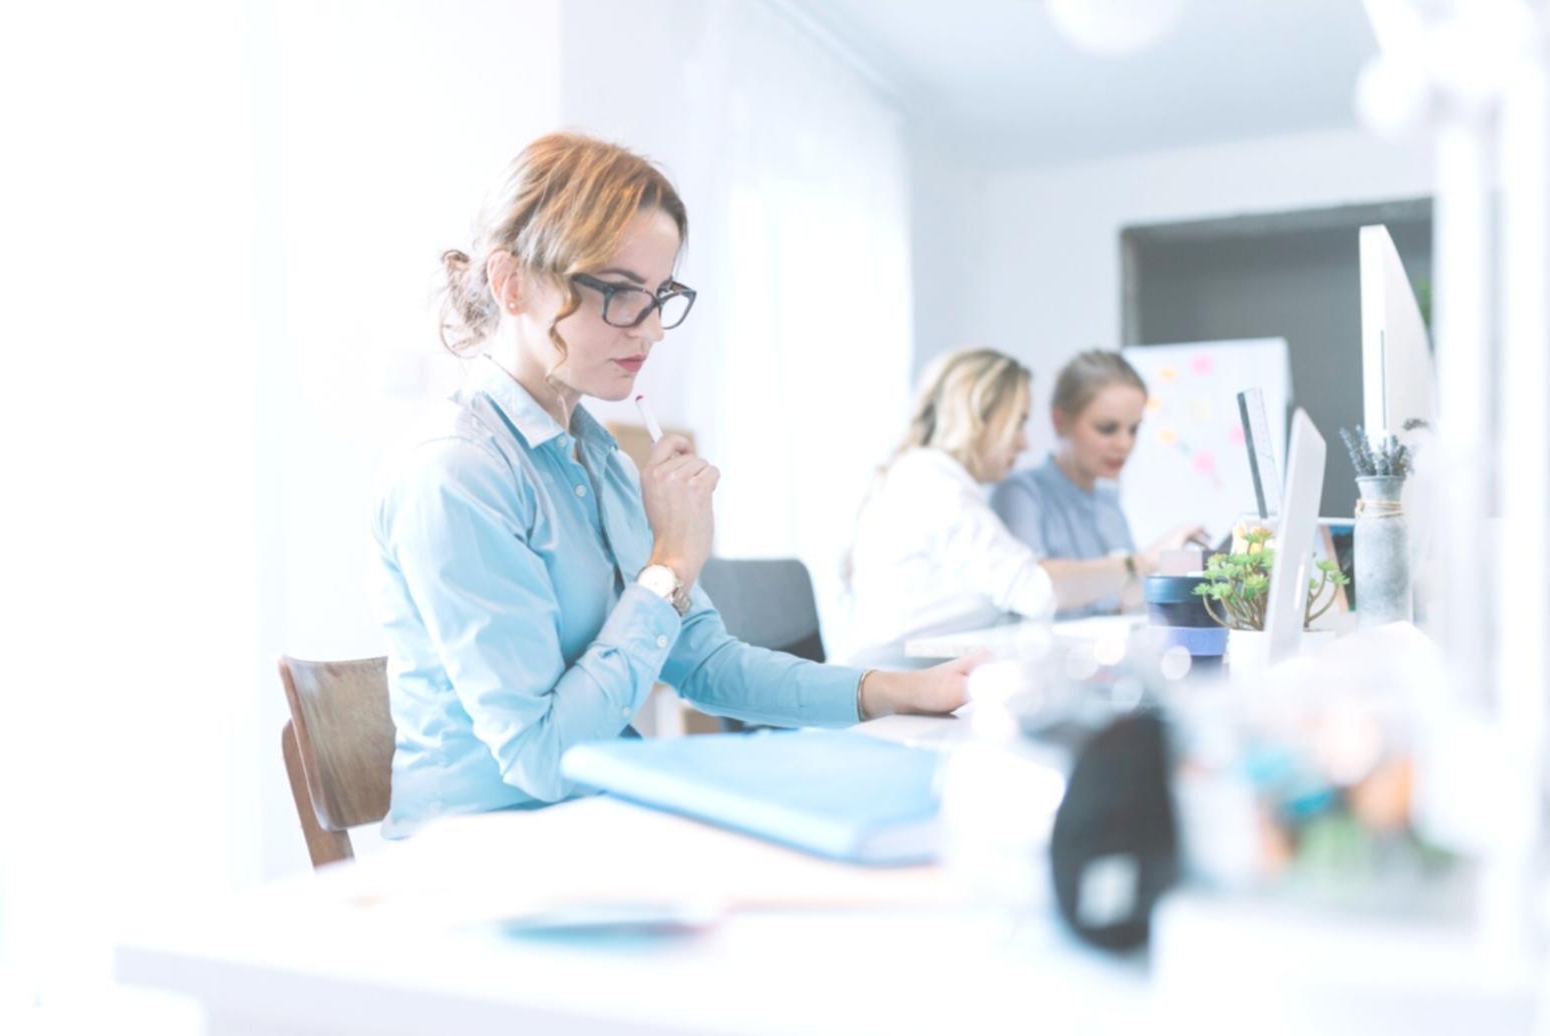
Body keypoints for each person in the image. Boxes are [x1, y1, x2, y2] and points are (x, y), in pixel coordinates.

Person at [370, 133, 977, 836]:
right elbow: (542, 758)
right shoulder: (456, 472)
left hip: (593, 828)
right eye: (622, 295)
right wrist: (668, 569)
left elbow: (707, 664)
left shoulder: (596, 457)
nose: (653, 330)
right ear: (510, 284)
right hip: (477, 860)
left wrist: (900, 691)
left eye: (660, 297)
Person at [846, 347, 1165, 664]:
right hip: (892, 677)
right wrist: (1139, 565)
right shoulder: (932, 482)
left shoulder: (939, 480)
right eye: (1018, 422)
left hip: (920, 672)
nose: (1024, 442)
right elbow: (1035, 591)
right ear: (979, 419)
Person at [992, 349, 1205, 618]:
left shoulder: (1108, 501)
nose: (1125, 444)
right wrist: (1146, 560)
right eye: (1107, 428)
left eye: (1134, 429)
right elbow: (1033, 589)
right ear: (1060, 421)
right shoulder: (1020, 494)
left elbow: (1123, 597)